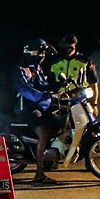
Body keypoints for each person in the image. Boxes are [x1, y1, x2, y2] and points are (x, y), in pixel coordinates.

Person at [13, 38, 61, 184]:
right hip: (26, 108)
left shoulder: (36, 68)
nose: (43, 55)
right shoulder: (21, 70)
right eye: (41, 52)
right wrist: (45, 95)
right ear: (33, 53)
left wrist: (57, 86)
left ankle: (50, 157)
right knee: (43, 133)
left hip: (40, 105)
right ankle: (39, 173)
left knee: (59, 122)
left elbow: (43, 85)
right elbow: (26, 90)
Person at [46, 34, 100, 116]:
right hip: (59, 100)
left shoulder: (85, 61)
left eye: (68, 45)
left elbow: (93, 83)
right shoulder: (54, 61)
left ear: (74, 45)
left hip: (80, 98)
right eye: (63, 45)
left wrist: (94, 104)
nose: (65, 48)